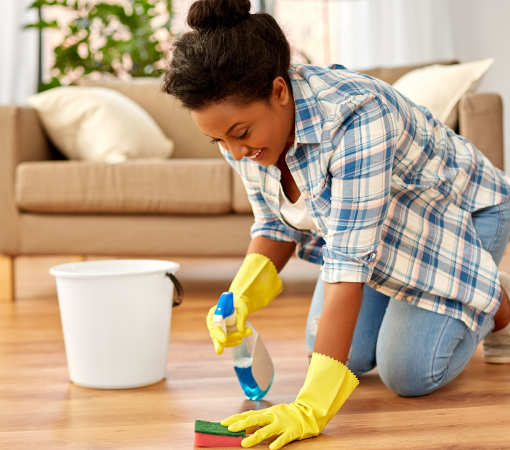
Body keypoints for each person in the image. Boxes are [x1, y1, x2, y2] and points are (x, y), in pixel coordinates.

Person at [161, 0, 510, 448]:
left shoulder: (355, 116)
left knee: (408, 371)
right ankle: (444, 294)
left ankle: (494, 296)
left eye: (241, 134)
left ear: (280, 91)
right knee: (348, 355)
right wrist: (241, 296)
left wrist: (311, 409)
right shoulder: (244, 138)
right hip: (385, 238)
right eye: (218, 139)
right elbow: (275, 224)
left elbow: (346, 262)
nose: (234, 151)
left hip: (457, 216)